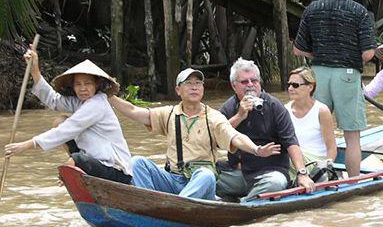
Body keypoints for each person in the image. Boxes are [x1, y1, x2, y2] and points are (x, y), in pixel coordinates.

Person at [108, 68, 279, 200]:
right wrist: (108, 96)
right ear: (178, 90)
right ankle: (148, 203)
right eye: (188, 83)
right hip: (173, 178)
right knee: (137, 162)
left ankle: (176, 207)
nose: (194, 87)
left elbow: (235, 136)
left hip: (199, 182)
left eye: (198, 83)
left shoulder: (212, 116)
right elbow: (133, 111)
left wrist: (256, 150)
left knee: (206, 175)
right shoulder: (168, 114)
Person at [293, 0, 376, 177]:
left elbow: (298, 49)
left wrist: (318, 55)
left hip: (316, 75)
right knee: (352, 137)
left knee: (315, 129)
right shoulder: (359, 11)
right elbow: (368, 54)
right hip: (347, 76)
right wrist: (349, 57)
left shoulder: (312, 8)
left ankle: (309, 175)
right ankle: (353, 183)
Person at [3, 47, 132, 184]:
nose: (83, 88)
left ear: (96, 85)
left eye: (87, 83)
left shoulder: (97, 104)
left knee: (74, 160)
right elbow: (53, 100)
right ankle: (76, 168)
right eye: (78, 84)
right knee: (60, 121)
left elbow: (66, 131)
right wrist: (35, 69)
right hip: (95, 161)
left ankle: (75, 168)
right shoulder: (80, 102)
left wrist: (26, 145)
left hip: (115, 169)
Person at [218, 58, 315, 201]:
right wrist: (239, 116)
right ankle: (234, 200)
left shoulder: (274, 106)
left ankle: (243, 205)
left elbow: (291, 142)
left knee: (276, 183)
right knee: (207, 177)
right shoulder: (228, 107)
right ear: (234, 86)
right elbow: (215, 139)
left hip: (269, 173)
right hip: (239, 174)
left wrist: (302, 173)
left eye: (254, 81)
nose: (250, 85)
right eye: (244, 82)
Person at [285, 66, 337, 179]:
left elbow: (331, 147)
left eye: (295, 85)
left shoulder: (321, 111)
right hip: (294, 159)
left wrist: (326, 169)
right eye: (289, 84)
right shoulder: (285, 110)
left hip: (314, 162)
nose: (290, 88)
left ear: (310, 87)